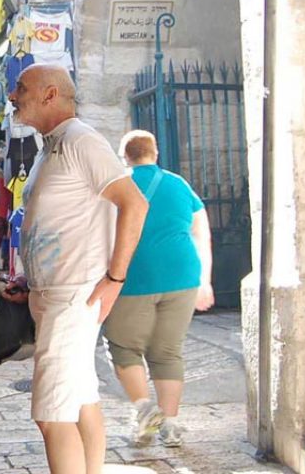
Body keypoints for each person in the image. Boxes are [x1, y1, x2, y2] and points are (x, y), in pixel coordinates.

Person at [6, 65, 148, 474]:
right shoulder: (51, 146)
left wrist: (115, 279)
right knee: (80, 399)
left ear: (50, 94)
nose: (14, 96)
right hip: (55, 293)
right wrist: (27, 279)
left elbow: (134, 204)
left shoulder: (82, 141)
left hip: (72, 295)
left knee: (52, 414)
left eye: (22, 88)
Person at [102, 130, 215, 448]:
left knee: (123, 346)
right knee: (167, 351)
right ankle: (172, 426)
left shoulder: (117, 185)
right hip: (183, 275)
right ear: (156, 153)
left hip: (135, 276)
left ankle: (145, 410)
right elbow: (201, 232)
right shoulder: (179, 184)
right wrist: (205, 280)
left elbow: (104, 232)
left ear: (124, 155)